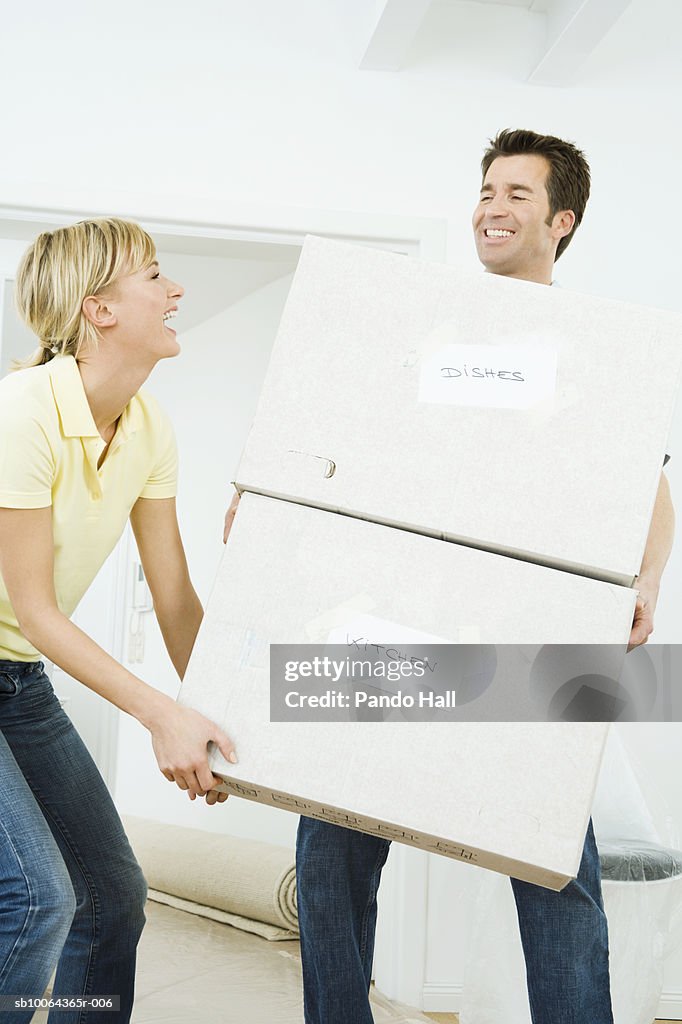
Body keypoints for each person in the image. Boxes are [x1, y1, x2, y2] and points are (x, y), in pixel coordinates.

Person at [291, 130, 675, 1024]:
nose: (491, 210)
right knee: (330, 851)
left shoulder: (595, 351)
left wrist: (648, 579)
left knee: (554, 873)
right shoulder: (428, 328)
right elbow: (351, 448)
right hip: (393, 622)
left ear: (562, 221)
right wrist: (279, 500)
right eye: (486, 191)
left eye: (517, 196)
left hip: (522, 636)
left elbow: (648, 488)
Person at [0, 218, 235, 1024]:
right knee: (35, 901)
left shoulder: (147, 424)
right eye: (155, 278)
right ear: (98, 310)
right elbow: (34, 605)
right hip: (19, 646)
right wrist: (160, 715)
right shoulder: (21, 413)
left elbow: (173, 597)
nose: (175, 292)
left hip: (15, 678)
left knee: (112, 901)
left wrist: (224, 715)